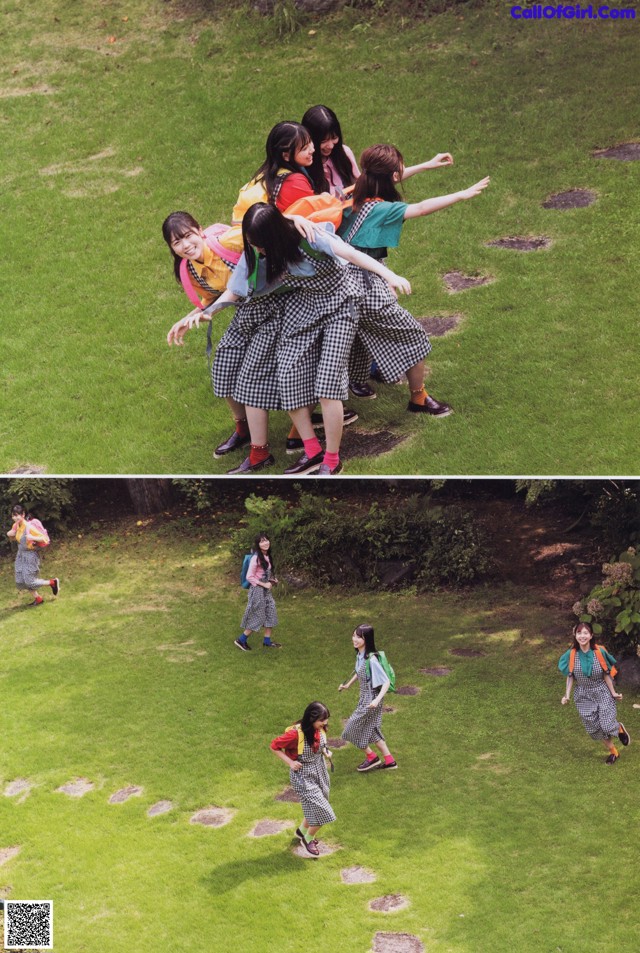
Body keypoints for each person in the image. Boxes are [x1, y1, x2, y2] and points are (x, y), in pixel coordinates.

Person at [177, 204, 413, 475]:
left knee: (327, 386)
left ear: (275, 236)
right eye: (253, 244)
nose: (258, 250)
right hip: (306, 306)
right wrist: (207, 313)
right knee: (287, 374)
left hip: (340, 306)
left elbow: (351, 253)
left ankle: (332, 461)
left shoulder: (309, 236)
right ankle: (312, 451)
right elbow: (234, 290)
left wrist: (390, 275)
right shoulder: (257, 250)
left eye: (261, 244)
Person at [340, 144, 489, 408]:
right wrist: (462, 194)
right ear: (391, 178)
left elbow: (387, 175)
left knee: (355, 337)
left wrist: (425, 165)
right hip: (365, 285)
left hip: (339, 285)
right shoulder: (382, 209)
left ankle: (315, 417)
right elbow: (420, 208)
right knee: (414, 337)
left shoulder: (353, 196)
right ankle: (418, 398)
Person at [559, 622, 630, 764]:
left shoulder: (599, 652)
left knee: (606, 724)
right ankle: (613, 752)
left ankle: (619, 729)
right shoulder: (571, 654)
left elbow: (606, 674)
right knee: (595, 728)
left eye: (585, 633)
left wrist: (614, 693)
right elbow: (570, 675)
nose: (582, 636)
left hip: (601, 691)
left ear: (591, 635)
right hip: (583, 695)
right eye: (579, 633)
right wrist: (566, 695)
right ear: (575, 635)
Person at [270, 701, 334, 857]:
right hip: (303, 776)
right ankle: (308, 839)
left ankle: (302, 831)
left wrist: (326, 752)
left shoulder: (321, 729)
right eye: (321, 720)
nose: (325, 723)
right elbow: (274, 746)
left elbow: (321, 745)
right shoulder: (295, 735)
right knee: (324, 811)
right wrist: (290, 762)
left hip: (319, 770)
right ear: (311, 719)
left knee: (319, 803)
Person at [339, 623, 397, 771]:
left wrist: (376, 701)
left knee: (350, 729)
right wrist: (348, 685)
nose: (355, 639)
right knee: (371, 730)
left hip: (372, 699)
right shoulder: (360, 655)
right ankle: (390, 762)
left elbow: (386, 682)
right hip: (364, 697)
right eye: (354, 635)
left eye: (359, 637)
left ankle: (372, 757)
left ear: (367, 639)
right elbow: (359, 671)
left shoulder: (372, 660)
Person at [234, 533, 281, 650]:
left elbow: (262, 574)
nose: (265, 543)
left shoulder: (267, 556)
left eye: (266, 540)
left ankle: (267, 641)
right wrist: (264, 584)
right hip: (257, 591)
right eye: (262, 541)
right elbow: (249, 577)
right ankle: (241, 640)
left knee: (271, 612)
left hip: (265, 591)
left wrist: (271, 580)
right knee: (258, 616)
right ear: (258, 544)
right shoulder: (256, 557)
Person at [7, 506, 59, 607]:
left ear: (23, 515)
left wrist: (32, 537)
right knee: (20, 580)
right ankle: (38, 599)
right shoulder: (16, 525)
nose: (15, 517)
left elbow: (45, 539)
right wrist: (10, 534)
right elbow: (14, 538)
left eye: (17, 515)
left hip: (30, 555)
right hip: (20, 555)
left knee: (29, 580)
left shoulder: (29, 527)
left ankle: (52, 582)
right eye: (13, 515)